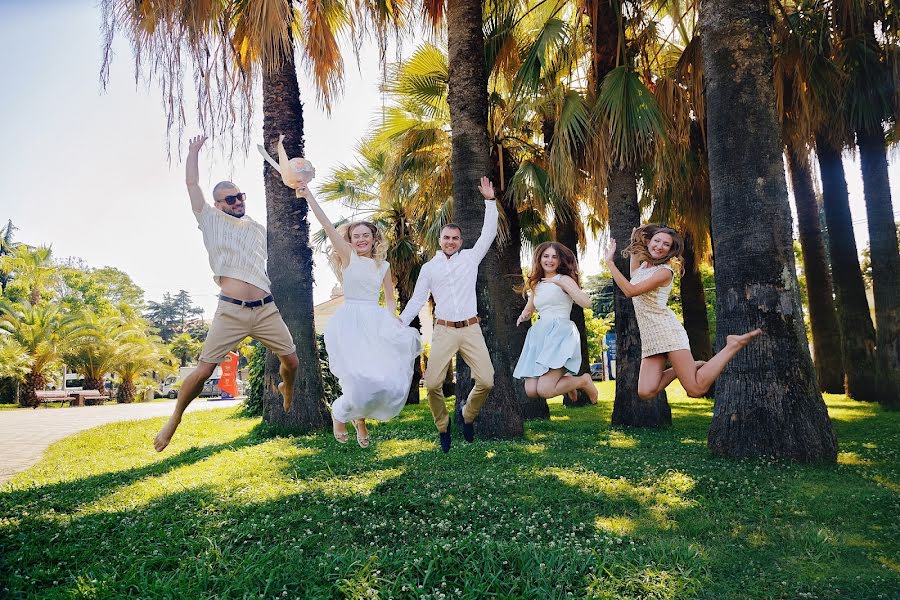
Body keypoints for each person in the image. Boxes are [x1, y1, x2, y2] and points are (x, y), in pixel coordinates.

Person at [153, 135, 299, 452]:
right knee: (205, 369)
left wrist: (298, 189)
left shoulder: (259, 230)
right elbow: (192, 184)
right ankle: (174, 419)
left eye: (240, 196)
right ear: (219, 205)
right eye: (230, 199)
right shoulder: (209, 220)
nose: (237, 202)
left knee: (292, 361)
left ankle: (286, 389)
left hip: (265, 309)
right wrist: (193, 151)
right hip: (231, 311)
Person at [296, 186, 422, 448]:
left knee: (381, 380)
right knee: (357, 377)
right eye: (356, 236)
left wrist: (394, 321)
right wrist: (309, 196)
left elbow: (389, 297)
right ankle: (341, 414)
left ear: (374, 239)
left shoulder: (383, 265)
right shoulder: (348, 257)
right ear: (350, 241)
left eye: (366, 235)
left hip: (375, 322)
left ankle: (358, 418)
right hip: (350, 321)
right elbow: (327, 225)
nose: (362, 239)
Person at [398, 177, 498, 453]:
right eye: (446, 238)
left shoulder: (470, 258)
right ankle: (443, 426)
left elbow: (488, 233)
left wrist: (490, 201)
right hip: (443, 330)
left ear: (461, 241)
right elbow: (417, 299)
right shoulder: (429, 269)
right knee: (431, 384)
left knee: (487, 380)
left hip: (470, 328)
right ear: (439, 241)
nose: (451, 242)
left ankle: (467, 415)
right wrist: (400, 323)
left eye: (455, 238)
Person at [604, 224, 761, 399]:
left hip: (667, 332)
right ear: (648, 242)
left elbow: (630, 291)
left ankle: (732, 345)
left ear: (670, 250)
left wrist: (610, 263)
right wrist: (635, 240)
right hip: (651, 336)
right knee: (645, 391)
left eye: (666, 244)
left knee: (695, 389)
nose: (660, 246)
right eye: (657, 241)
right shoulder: (643, 269)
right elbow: (634, 275)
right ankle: (681, 369)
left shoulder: (664, 272)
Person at [513, 242, 598, 403]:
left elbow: (586, 303)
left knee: (545, 390)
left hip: (561, 332)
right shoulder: (537, 283)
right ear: (539, 259)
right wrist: (524, 315)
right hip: (540, 334)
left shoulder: (564, 279)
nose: (550, 260)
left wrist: (564, 284)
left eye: (554, 257)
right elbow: (530, 308)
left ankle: (583, 381)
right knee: (531, 390)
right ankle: (568, 382)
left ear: (560, 261)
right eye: (546, 256)